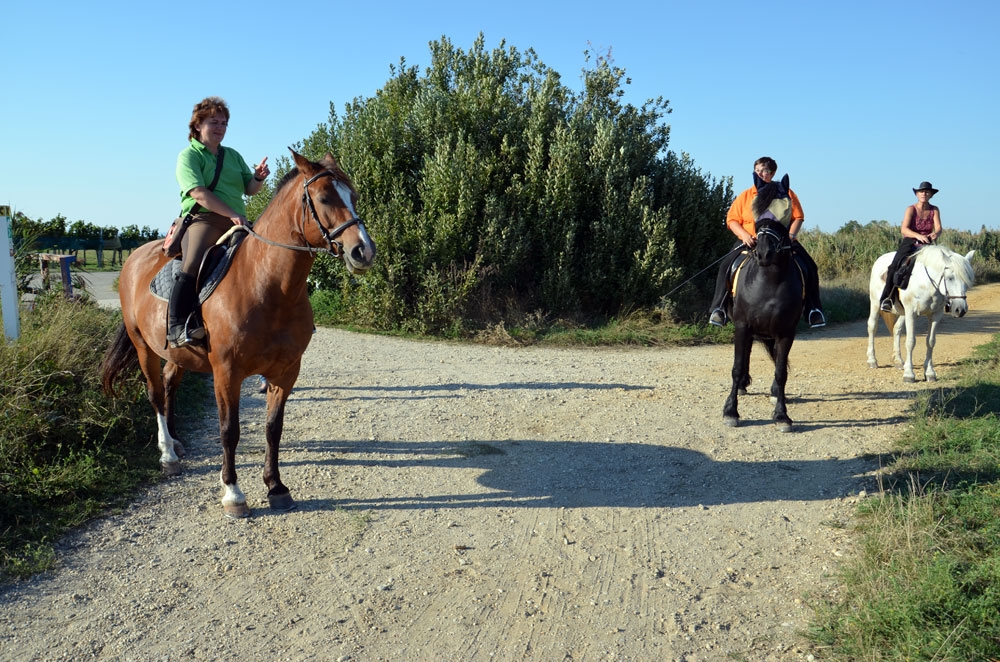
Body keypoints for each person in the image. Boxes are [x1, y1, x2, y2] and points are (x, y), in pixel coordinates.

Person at [169, 97, 271, 348]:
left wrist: (258, 178)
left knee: (270, 259)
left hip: (238, 221)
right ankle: (177, 325)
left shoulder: (233, 155)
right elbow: (199, 193)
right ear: (197, 125)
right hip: (204, 219)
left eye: (224, 123)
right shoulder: (189, 156)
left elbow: (249, 189)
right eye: (214, 122)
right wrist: (231, 215)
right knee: (192, 263)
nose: (220, 128)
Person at [708, 156, 826, 328]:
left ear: (773, 173)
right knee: (726, 265)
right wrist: (744, 236)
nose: (761, 174)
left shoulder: (786, 193)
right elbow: (732, 220)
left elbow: (798, 217)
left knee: (809, 266)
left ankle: (813, 309)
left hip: (781, 241)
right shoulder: (746, 195)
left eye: (764, 171)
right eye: (757, 171)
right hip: (751, 241)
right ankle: (719, 308)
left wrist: (791, 235)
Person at [878, 181, 943, 312]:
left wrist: (935, 234)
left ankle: (946, 300)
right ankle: (887, 298)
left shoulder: (934, 209)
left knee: (944, 264)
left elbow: (939, 227)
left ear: (931, 195)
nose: (924, 194)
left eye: (927, 192)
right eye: (921, 192)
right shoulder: (911, 209)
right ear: (917, 194)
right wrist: (918, 236)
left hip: (927, 244)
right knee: (894, 265)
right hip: (910, 242)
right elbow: (904, 229)